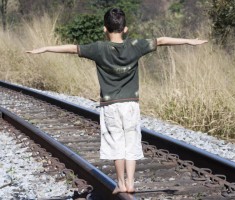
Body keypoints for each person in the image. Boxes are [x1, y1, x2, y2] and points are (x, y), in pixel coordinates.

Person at [27, 8, 208, 194]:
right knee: (131, 142)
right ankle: (131, 183)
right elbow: (161, 41)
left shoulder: (98, 48)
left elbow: (72, 48)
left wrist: (46, 48)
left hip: (110, 105)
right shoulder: (135, 45)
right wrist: (189, 41)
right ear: (126, 29)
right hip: (131, 105)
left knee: (116, 145)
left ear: (105, 29)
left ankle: (121, 184)